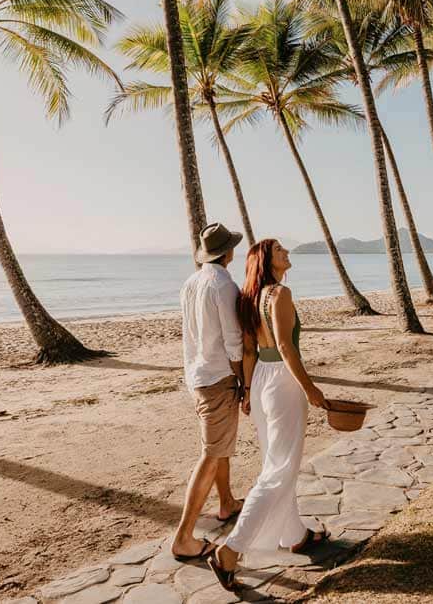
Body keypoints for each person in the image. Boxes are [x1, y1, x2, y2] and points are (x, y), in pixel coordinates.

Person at [207, 239, 329, 591]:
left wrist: (247, 392)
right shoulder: (279, 293)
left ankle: (295, 535)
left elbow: (249, 349)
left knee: (277, 462)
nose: (286, 252)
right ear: (266, 261)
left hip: (261, 381)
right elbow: (286, 346)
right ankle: (230, 551)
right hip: (282, 383)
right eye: (279, 250)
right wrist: (310, 389)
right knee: (278, 469)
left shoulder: (249, 298)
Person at [171, 222, 246, 562]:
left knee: (220, 444)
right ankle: (184, 537)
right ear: (227, 252)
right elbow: (233, 342)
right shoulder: (224, 284)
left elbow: (190, 334)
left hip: (197, 374)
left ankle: (227, 502)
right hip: (218, 377)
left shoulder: (190, 282)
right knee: (212, 452)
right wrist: (242, 380)